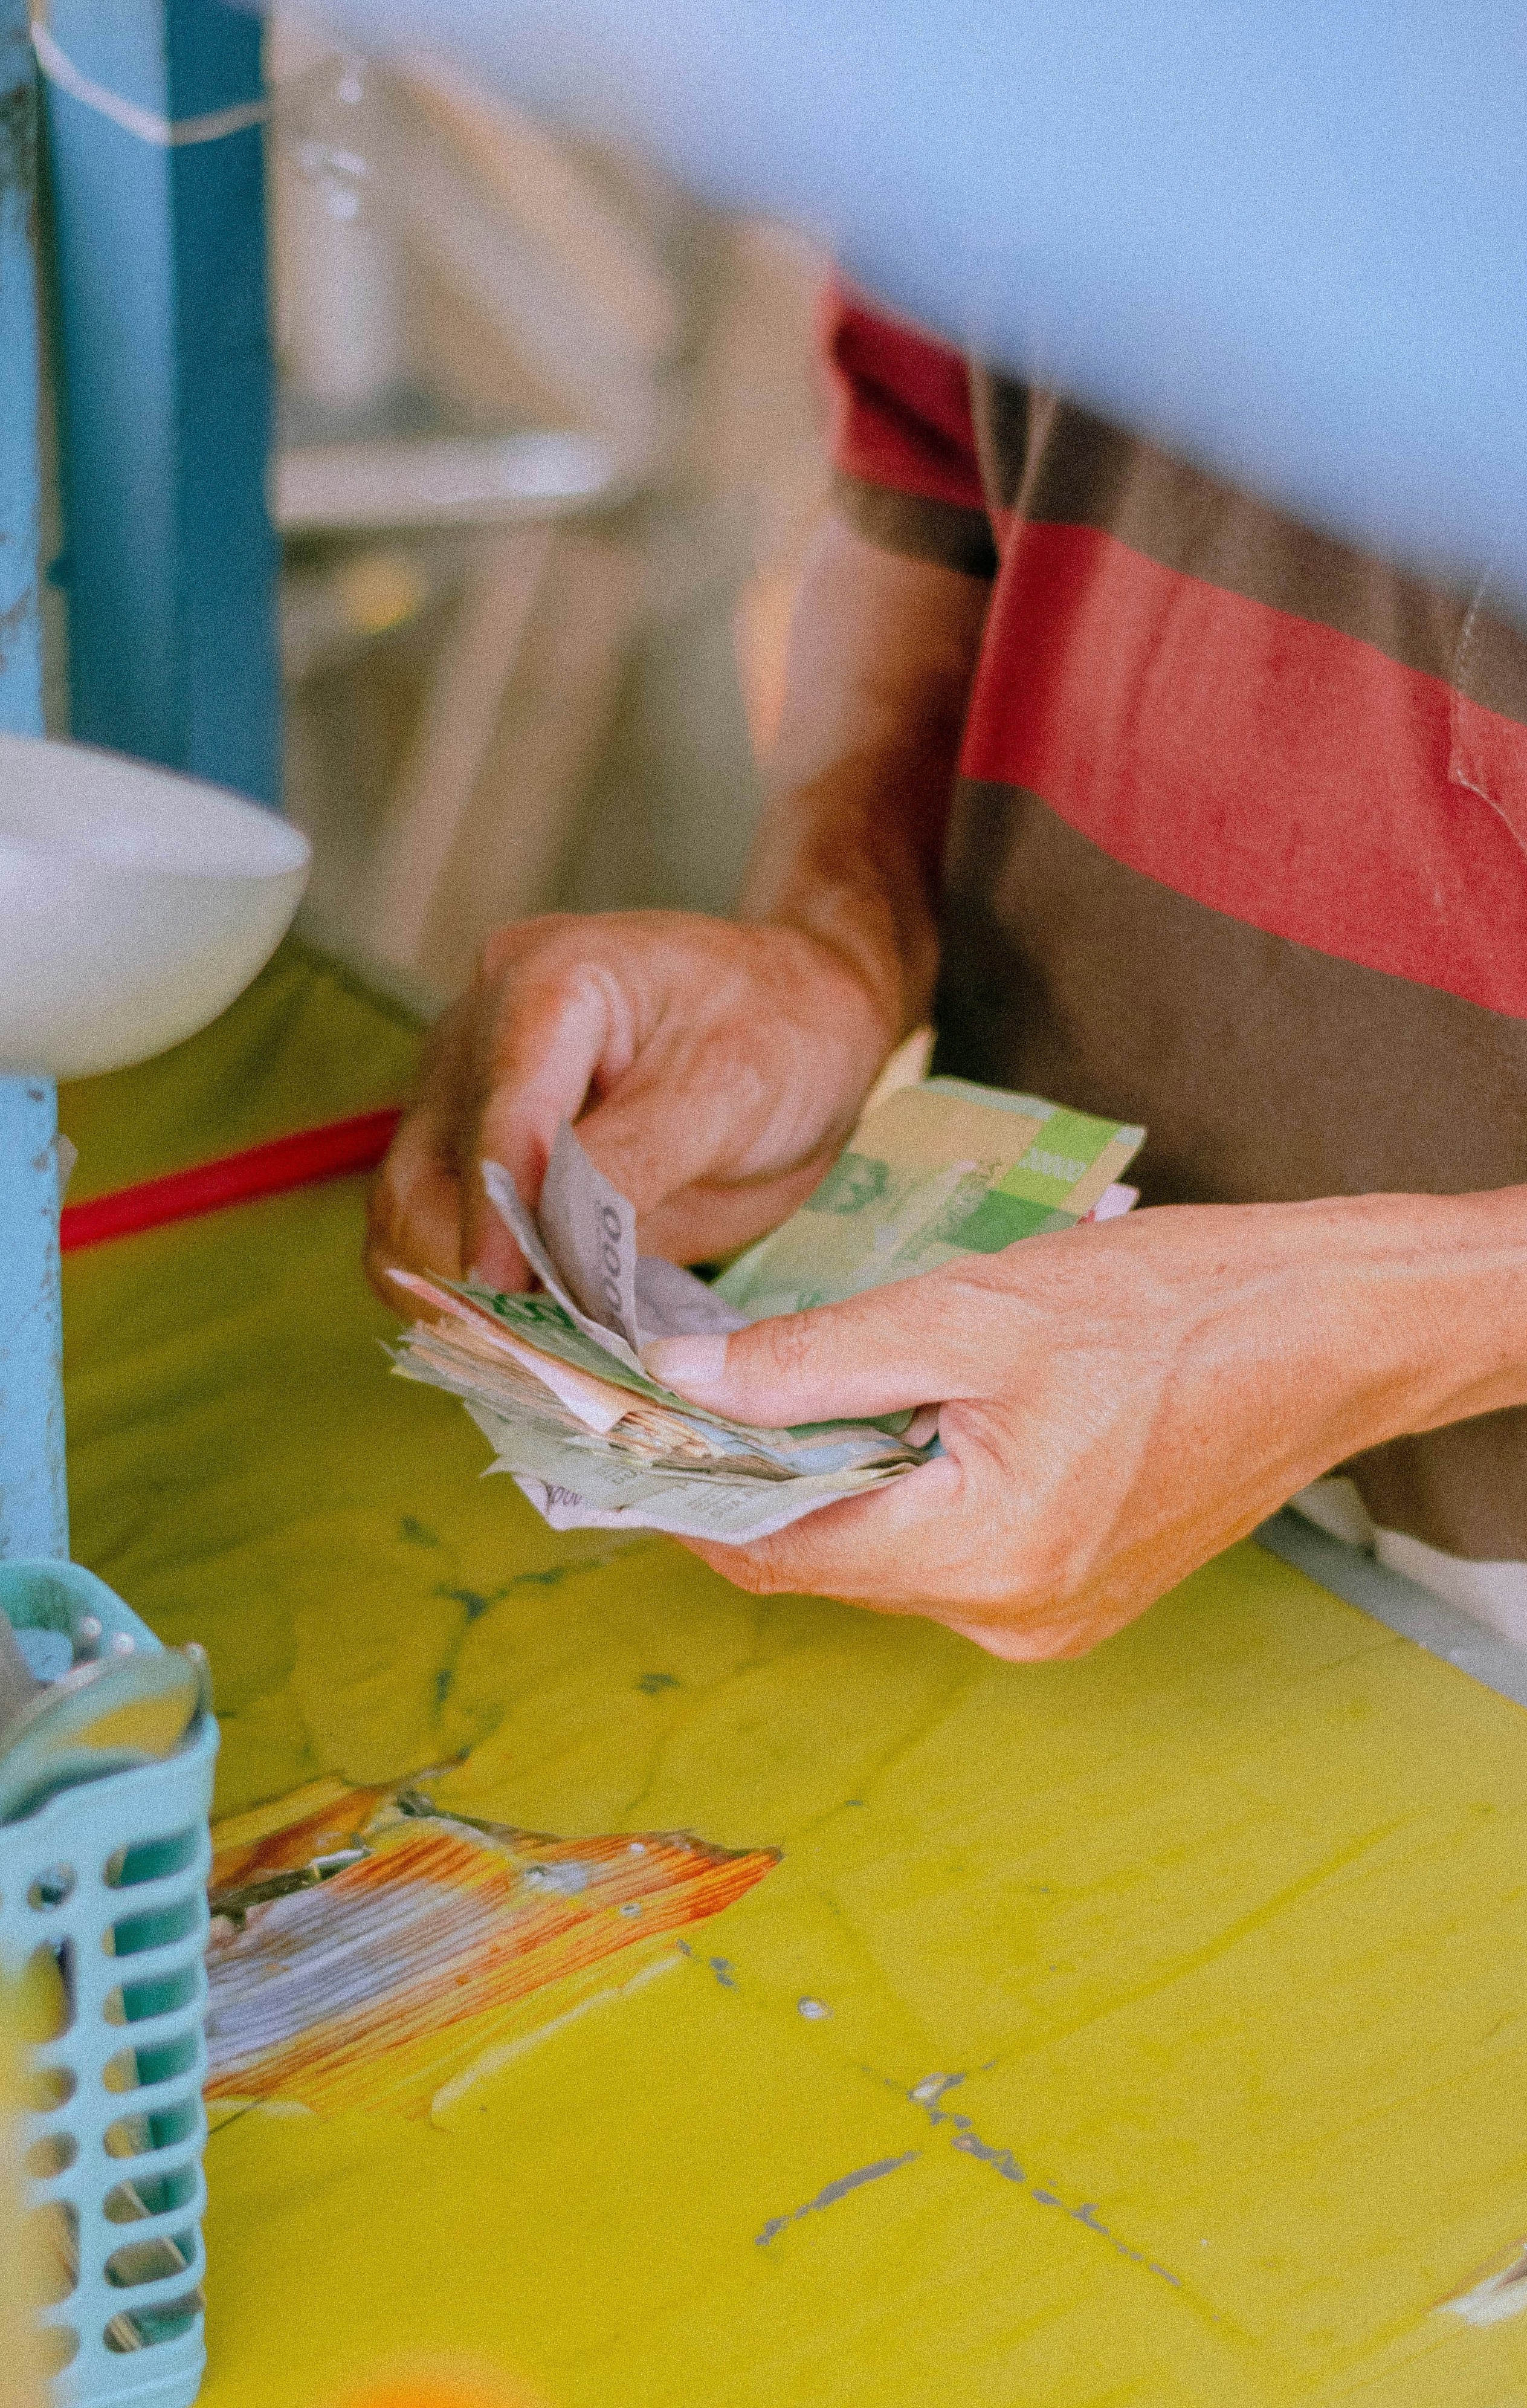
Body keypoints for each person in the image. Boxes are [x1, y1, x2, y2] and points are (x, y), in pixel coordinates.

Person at [368, 288, 1527, 1660]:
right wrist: (837, 936)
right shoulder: (997, 73)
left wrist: (1382, 1322)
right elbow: (936, 470)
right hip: (1013, 1456)